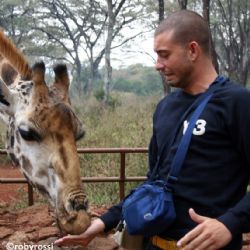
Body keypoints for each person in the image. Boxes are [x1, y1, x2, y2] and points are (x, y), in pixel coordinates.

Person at [55, 10, 250, 250]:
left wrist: (229, 224)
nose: (158, 65)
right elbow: (156, 181)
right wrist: (103, 222)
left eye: (164, 55)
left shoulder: (238, 103)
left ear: (192, 50)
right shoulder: (165, 107)